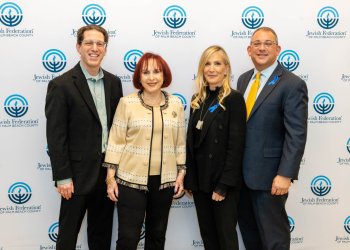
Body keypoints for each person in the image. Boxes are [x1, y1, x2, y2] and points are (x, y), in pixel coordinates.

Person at [45, 24, 123, 250]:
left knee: (101, 236)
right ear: (78, 46)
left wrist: (114, 171)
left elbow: (116, 128)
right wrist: (63, 176)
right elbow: (56, 136)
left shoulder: (113, 82)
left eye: (100, 44)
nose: (94, 48)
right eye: (89, 43)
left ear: (105, 49)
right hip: (76, 177)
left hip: (107, 175)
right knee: (68, 237)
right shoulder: (61, 85)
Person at [103, 52, 186, 250]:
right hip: (130, 181)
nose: (151, 77)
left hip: (164, 182)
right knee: (128, 238)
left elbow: (180, 143)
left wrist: (181, 174)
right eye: (146, 72)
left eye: (156, 72)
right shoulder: (127, 103)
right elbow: (116, 140)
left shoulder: (175, 103)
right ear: (138, 78)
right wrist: (110, 179)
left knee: (157, 237)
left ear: (164, 75)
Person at [237, 27, 308, 250]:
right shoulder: (243, 80)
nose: (262, 48)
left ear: (278, 49)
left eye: (268, 43)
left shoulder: (292, 83)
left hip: (270, 178)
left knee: (274, 239)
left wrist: (285, 174)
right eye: (257, 43)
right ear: (249, 49)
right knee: (250, 236)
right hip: (241, 178)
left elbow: (296, 133)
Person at [184, 45, 246, 250]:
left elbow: (236, 146)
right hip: (200, 183)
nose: (212, 69)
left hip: (222, 184)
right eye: (207, 64)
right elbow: (191, 144)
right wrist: (190, 180)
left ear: (226, 69)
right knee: (208, 237)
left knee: (226, 239)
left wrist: (224, 185)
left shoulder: (234, 99)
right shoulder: (197, 100)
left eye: (217, 63)